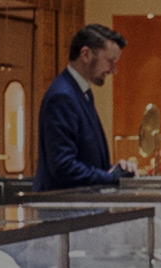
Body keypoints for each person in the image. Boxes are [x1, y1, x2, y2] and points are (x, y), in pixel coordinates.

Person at [35, 24, 137, 191]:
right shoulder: (63, 96)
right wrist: (111, 177)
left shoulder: (81, 93)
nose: (113, 70)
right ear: (86, 54)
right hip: (64, 209)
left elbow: (87, 160)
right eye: (110, 61)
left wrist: (116, 170)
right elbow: (63, 167)